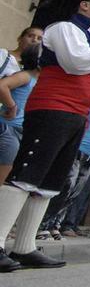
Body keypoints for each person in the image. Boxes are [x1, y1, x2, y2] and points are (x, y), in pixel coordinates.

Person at [0, 0, 90, 272]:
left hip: (77, 116)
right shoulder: (63, 29)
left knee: (48, 183)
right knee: (25, 174)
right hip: (51, 108)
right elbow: (76, 62)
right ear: (85, 5)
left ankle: (25, 246)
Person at [44, 101, 90, 239]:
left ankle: (56, 225)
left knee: (75, 191)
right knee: (67, 185)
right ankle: (46, 224)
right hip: (79, 147)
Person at [1, 28, 43, 184]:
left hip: (18, 131)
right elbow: (2, 86)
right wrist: (12, 107)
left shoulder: (38, 80)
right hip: (8, 128)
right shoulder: (26, 76)